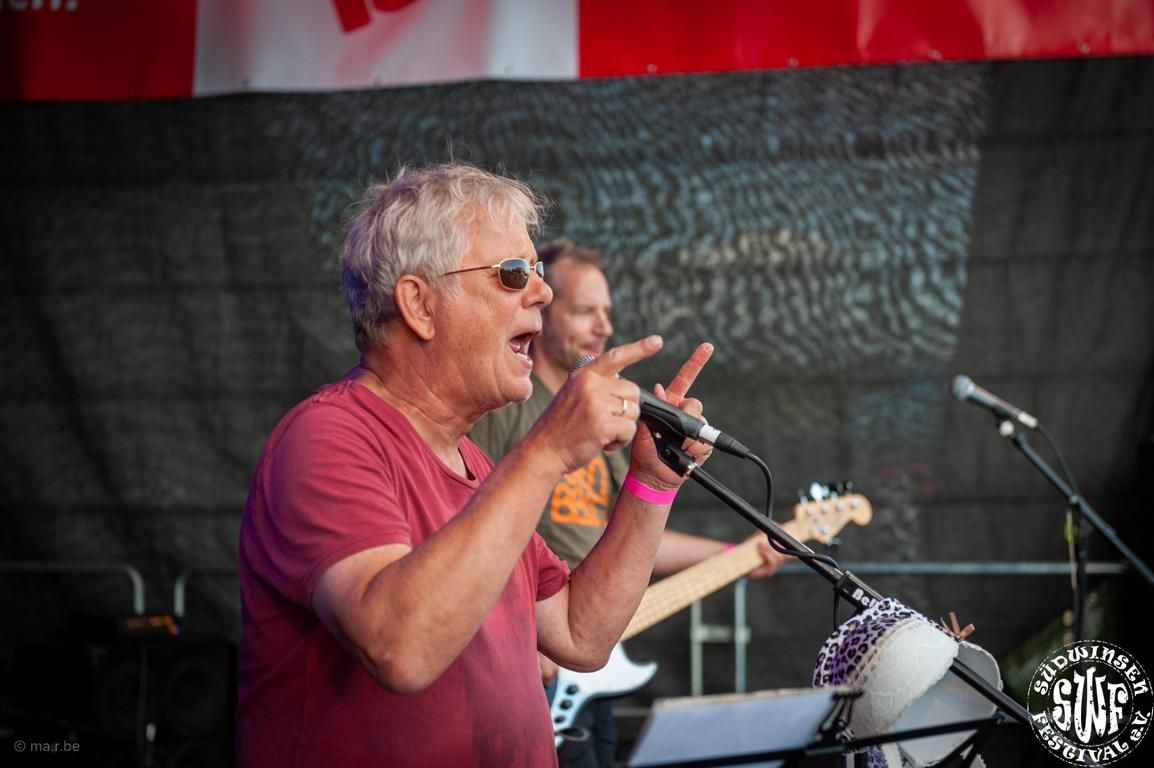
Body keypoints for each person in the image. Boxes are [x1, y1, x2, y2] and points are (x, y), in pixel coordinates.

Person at [236, 163, 722, 768]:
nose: (541, 293)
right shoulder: (328, 436)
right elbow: (400, 648)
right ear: (419, 304)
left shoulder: (478, 466)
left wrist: (650, 484)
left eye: (537, 272)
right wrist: (546, 450)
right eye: (514, 273)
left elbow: (580, 633)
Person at [471, 239, 786, 768]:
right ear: (542, 313)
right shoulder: (505, 410)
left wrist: (735, 553)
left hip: (587, 646)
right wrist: (516, 628)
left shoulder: (608, 421)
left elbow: (630, 534)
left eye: (607, 311)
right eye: (584, 311)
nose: (603, 327)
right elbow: (465, 520)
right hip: (531, 649)